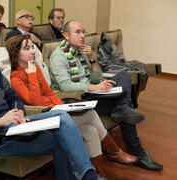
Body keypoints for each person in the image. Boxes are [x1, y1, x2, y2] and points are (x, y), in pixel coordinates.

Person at [0, 29, 98, 180]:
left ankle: (86, 176)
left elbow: (13, 98)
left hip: (14, 128)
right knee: (61, 122)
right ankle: (89, 177)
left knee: (62, 129)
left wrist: (20, 113)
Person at [6, 34, 137, 179]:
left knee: (91, 131)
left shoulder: (35, 68)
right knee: (90, 113)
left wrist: (64, 108)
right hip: (42, 118)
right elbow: (34, 102)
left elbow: (50, 93)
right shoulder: (15, 78)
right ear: (16, 53)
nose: (32, 51)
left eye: (32, 47)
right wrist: (31, 75)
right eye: (27, 48)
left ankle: (99, 175)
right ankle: (113, 151)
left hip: (57, 112)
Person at [49, 20, 163, 171]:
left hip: (92, 94)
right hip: (79, 101)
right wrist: (94, 87)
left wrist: (92, 59)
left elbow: (96, 77)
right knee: (126, 109)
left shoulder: (82, 52)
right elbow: (66, 86)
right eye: (78, 32)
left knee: (124, 76)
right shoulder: (59, 57)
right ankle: (138, 153)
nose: (83, 35)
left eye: (84, 31)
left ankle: (122, 108)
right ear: (66, 35)